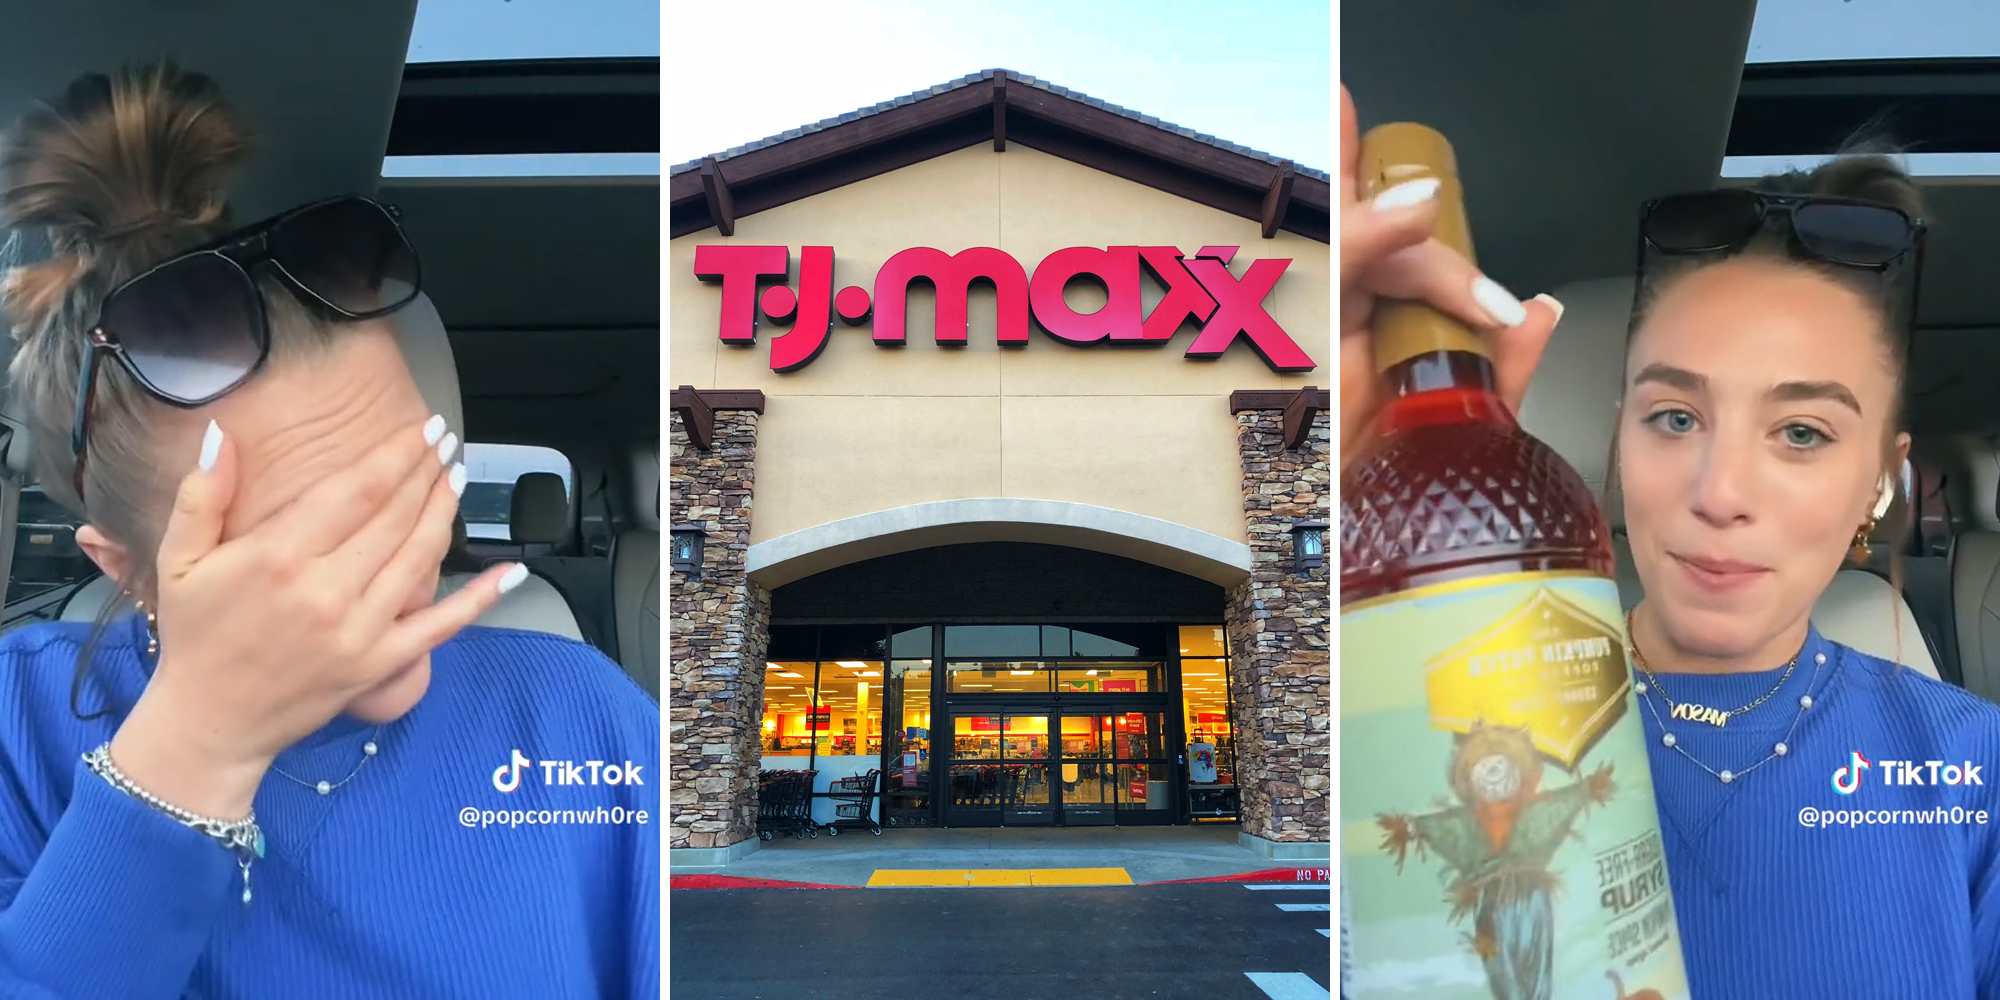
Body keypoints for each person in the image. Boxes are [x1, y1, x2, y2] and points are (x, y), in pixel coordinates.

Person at [0, 64, 658, 998]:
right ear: (134, 575)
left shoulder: (583, 722)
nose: (390, 570)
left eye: (410, 488)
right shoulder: (19, 730)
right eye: (303, 543)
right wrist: (196, 748)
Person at [1341, 84, 2000, 998]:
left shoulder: (1973, 769)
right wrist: (1348, 545)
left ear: (1877, 481)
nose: (1719, 492)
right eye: (1676, 417)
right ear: (1619, 441)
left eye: (1802, 432)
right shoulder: (1453, 709)